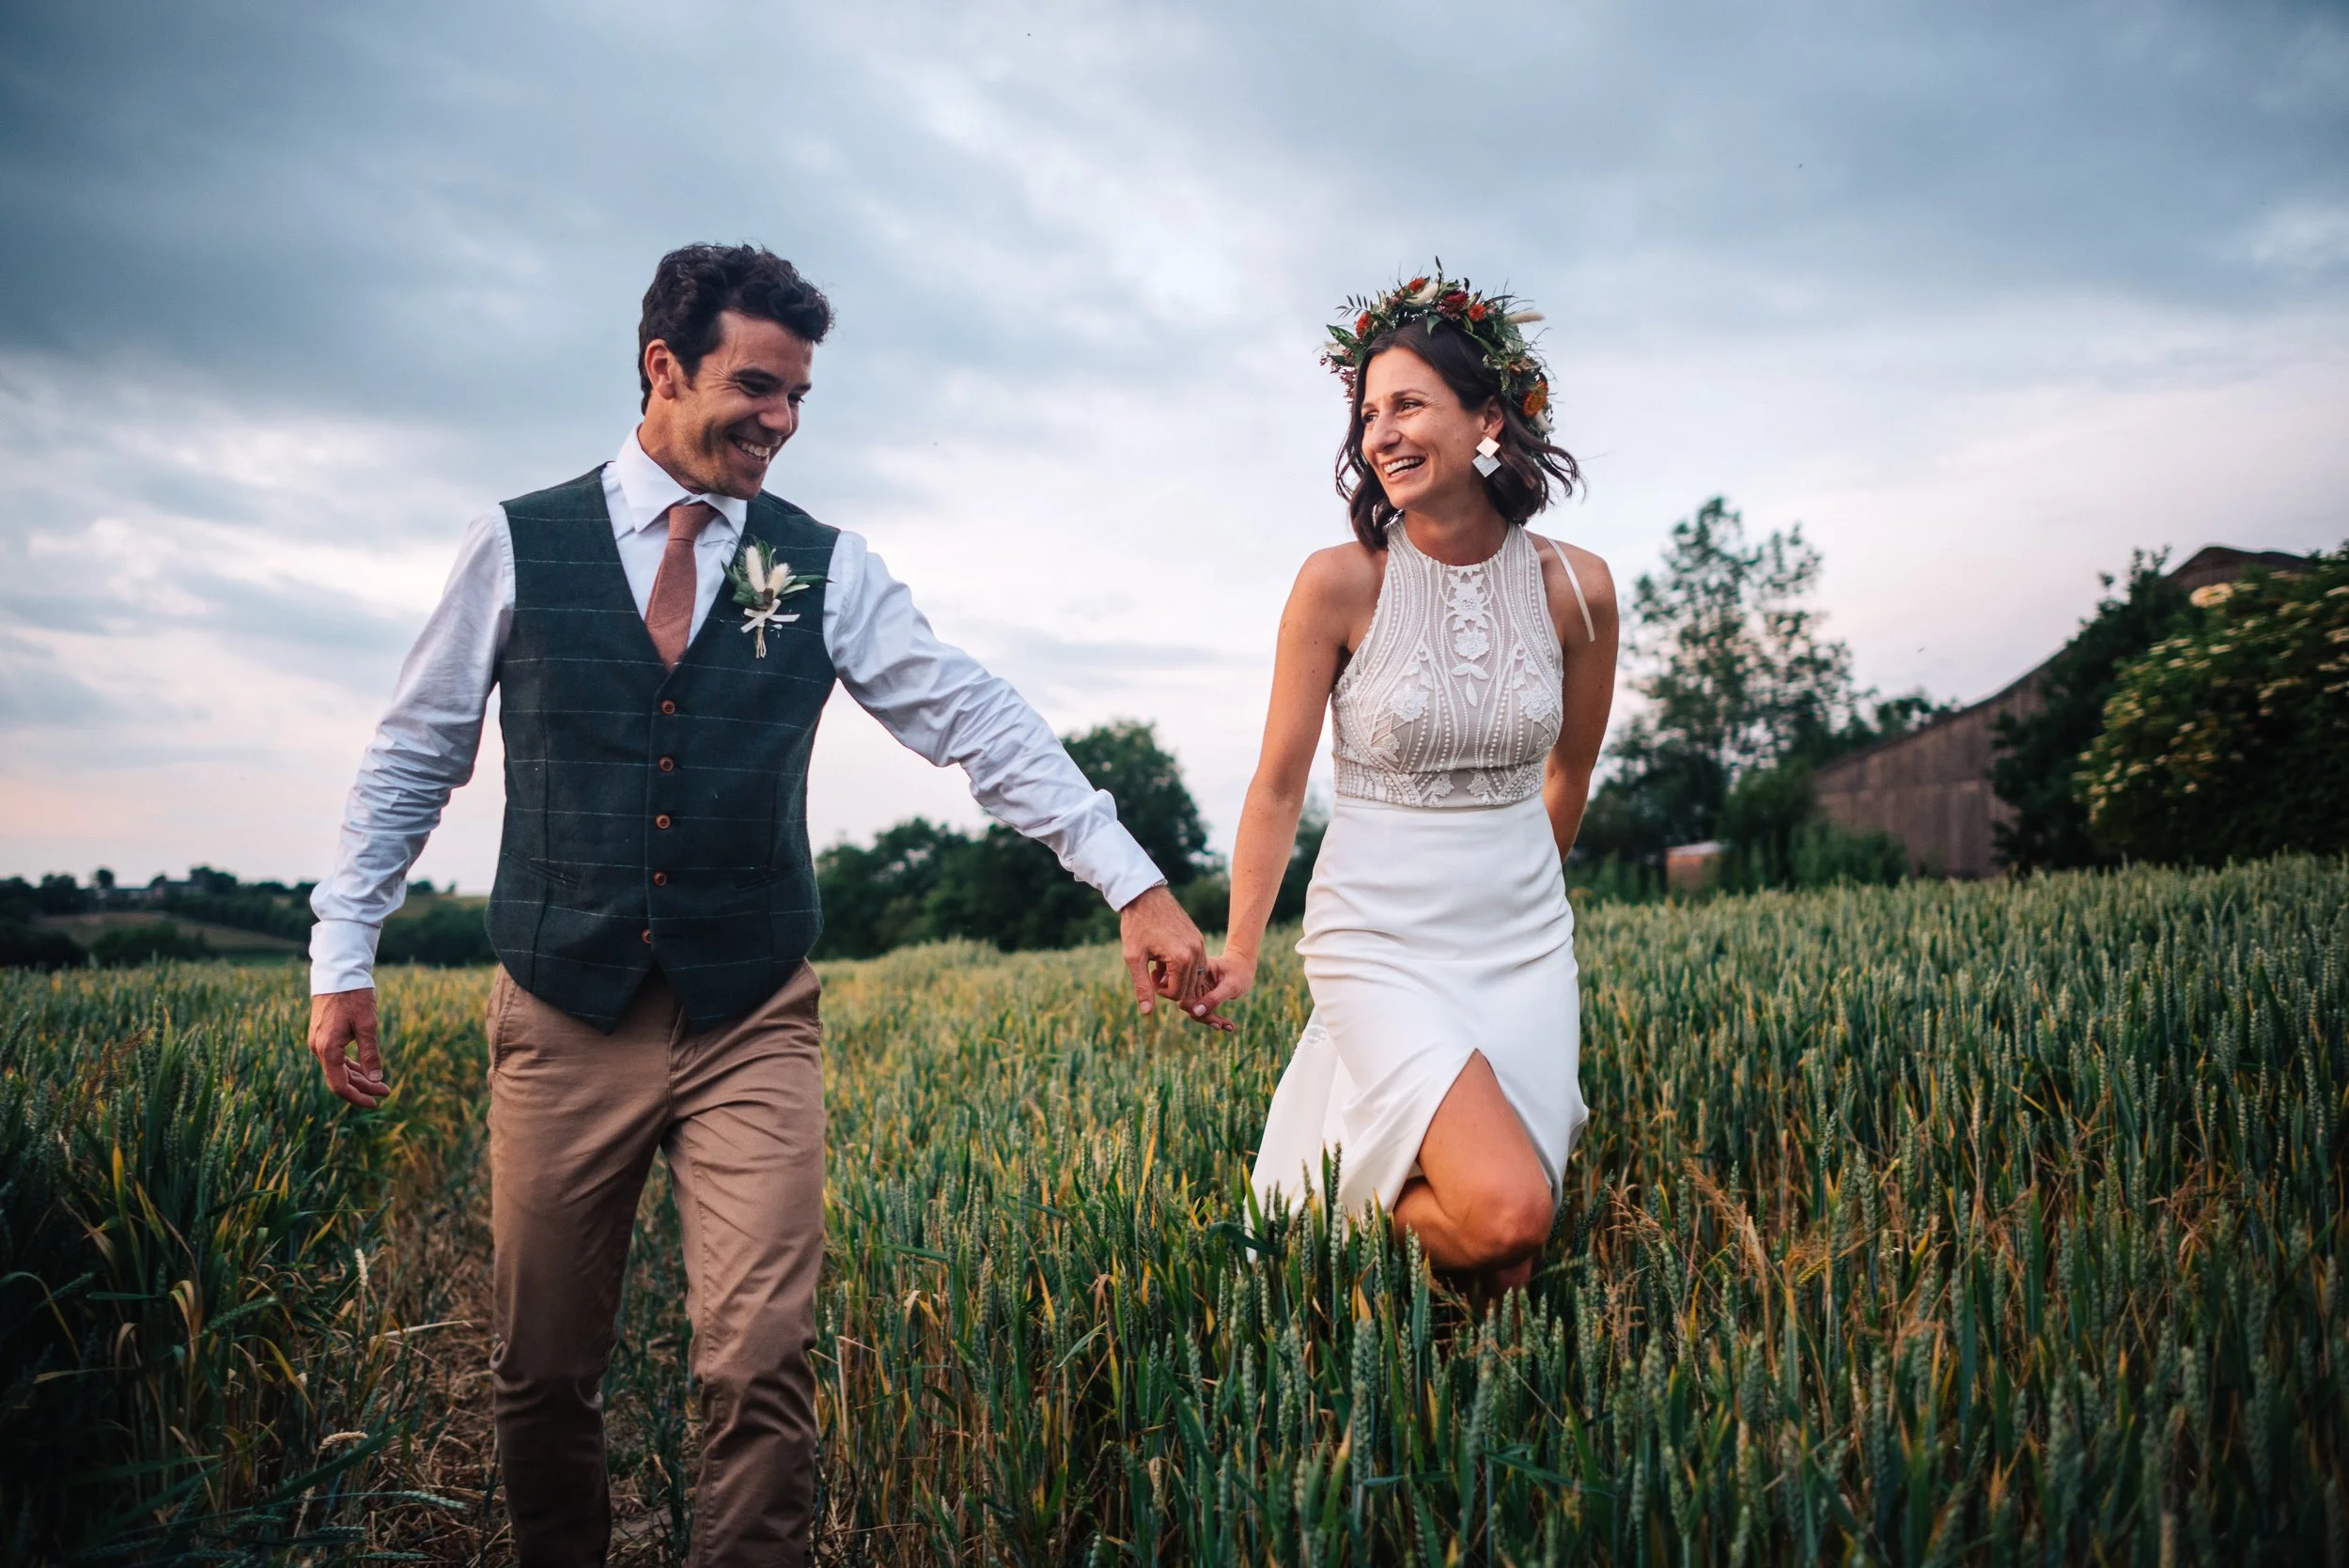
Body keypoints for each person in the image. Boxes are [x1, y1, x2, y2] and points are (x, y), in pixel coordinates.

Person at [303, 243, 1214, 1567]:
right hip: (563, 1011)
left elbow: (974, 717)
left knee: (760, 1361)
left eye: (798, 398)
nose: (781, 421)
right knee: (543, 1368)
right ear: (662, 367)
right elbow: (413, 754)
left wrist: (1128, 878)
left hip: (751, 1016)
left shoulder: (825, 566)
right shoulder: (515, 542)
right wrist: (346, 951)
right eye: (756, 387)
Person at [1191, 268, 1618, 1298]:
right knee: (1512, 1209)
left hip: (1521, 944)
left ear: (1486, 420)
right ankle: (1326, 1241)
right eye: (1368, 412)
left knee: (1507, 1261)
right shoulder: (1337, 583)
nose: (1380, 433)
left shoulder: (1578, 588)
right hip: (1375, 937)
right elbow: (1279, 784)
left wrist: (1525, 889)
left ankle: (1368, 1279)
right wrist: (1242, 946)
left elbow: (1571, 766)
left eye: (1409, 404)